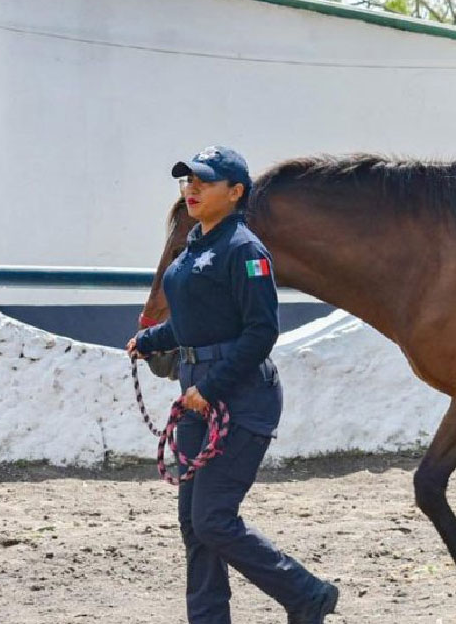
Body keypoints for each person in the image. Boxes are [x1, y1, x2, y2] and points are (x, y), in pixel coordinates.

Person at [126, 146, 338, 624]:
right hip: (197, 395)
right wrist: (150, 338)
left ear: (236, 191)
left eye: (204, 181)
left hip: (239, 399)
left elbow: (261, 332)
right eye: (188, 180)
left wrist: (213, 387)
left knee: (213, 519)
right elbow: (193, 324)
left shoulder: (245, 250)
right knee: (194, 525)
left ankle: (305, 592)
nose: (192, 189)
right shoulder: (195, 247)